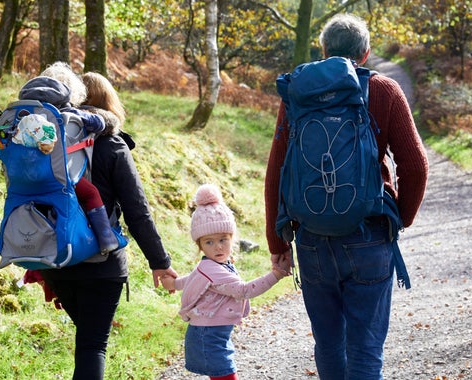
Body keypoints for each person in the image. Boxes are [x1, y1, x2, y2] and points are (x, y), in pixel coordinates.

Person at [264, 14, 429, 380]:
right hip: (370, 233)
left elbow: (278, 168)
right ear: (366, 53)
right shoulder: (383, 89)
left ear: (323, 51)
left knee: (328, 345)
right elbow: (416, 167)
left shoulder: (298, 92)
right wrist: (400, 217)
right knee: (366, 349)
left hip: (311, 237)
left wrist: (277, 238)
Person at [34, 63, 178, 380]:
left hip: (57, 259)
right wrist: (160, 261)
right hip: (102, 263)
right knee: (92, 346)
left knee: (86, 341)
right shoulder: (113, 146)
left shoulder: (51, 142)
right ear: (110, 105)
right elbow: (137, 210)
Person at [162, 184, 290, 380]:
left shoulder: (212, 266)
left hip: (210, 333)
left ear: (232, 238)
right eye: (209, 242)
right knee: (226, 374)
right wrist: (277, 274)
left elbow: (194, 278)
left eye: (223, 239)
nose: (217, 247)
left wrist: (174, 284)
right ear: (200, 245)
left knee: (223, 374)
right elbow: (245, 290)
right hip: (208, 336)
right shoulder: (212, 268)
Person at [17, 62, 119, 253]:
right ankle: (107, 238)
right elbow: (98, 124)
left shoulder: (23, 114)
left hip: (23, 175)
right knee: (90, 193)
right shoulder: (68, 113)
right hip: (57, 175)